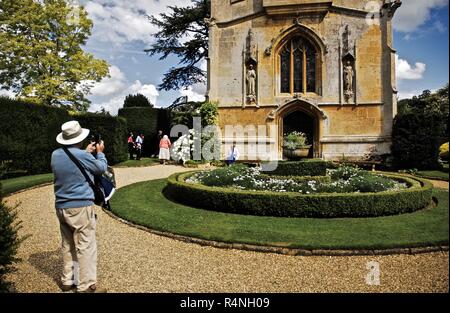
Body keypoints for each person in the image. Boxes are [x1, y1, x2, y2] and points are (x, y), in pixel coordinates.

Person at [51, 121, 107, 293]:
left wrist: (86, 153)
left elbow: (72, 160)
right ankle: (86, 286)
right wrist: (100, 153)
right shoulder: (83, 155)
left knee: (68, 244)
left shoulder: (55, 154)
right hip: (81, 207)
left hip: (61, 206)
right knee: (85, 246)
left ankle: (69, 280)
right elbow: (101, 168)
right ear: (79, 138)